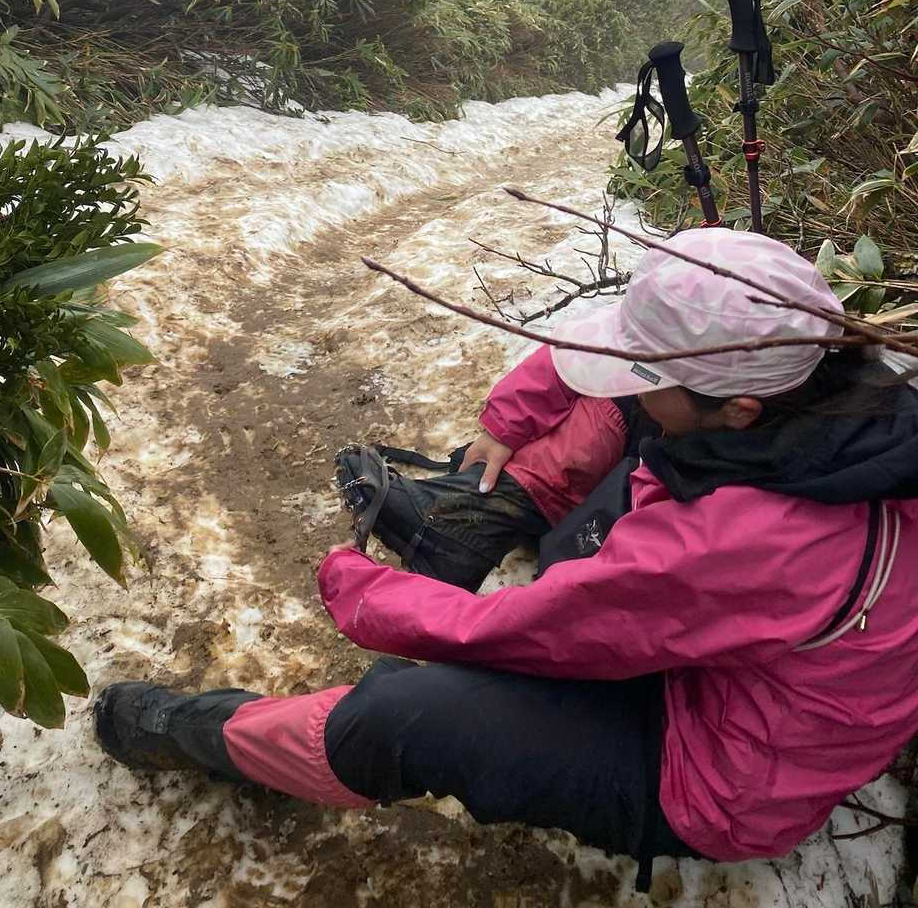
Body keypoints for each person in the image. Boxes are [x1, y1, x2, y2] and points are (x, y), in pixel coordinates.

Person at [93, 228, 918, 887]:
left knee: (406, 713)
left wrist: (367, 596)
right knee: (630, 415)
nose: (631, 379)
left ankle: (189, 733)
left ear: (740, 409)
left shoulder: (746, 541)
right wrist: (507, 422)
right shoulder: (831, 389)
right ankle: (479, 520)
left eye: (650, 371)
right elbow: (619, 381)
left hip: (711, 774)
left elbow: (533, 632)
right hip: (721, 658)